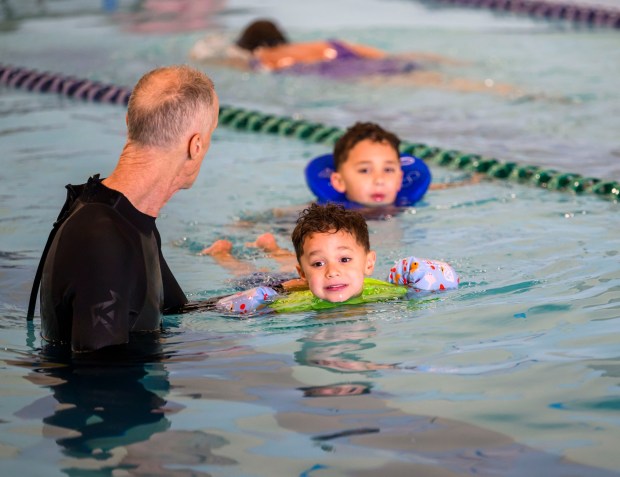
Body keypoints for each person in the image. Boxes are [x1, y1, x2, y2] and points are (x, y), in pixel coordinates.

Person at [30, 64, 219, 355]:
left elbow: (177, 312)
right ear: (195, 145)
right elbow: (101, 384)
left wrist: (282, 295)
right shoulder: (103, 238)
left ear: (128, 122)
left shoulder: (131, 220)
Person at [201, 203, 458, 315]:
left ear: (368, 263)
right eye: (318, 265)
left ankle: (270, 246)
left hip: (295, 280)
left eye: (345, 260)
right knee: (244, 274)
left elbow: (442, 282)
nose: (332, 272)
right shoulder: (287, 304)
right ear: (303, 273)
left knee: (306, 255)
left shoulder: (384, 292)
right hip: (279, 286)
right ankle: (222, 254)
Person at [190, 19, 521, 95]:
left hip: (346, 73)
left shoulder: (267, 59)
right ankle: (496, 82)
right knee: (417, 67)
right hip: (357, 57)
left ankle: (501, 90)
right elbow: (386, 54)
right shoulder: (323, 42)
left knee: (444, 86)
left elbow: (218, 60)